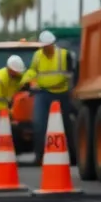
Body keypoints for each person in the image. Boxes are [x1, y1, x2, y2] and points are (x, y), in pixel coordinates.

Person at [21, 30, 77, 162]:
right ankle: (40, 156)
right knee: (39, 124)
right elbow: (32, 71)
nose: (46, 49)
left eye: (48, 46)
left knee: (66, 125)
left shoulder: (64, 55)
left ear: (53, 44)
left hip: (61, 94)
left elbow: (71, 74)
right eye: (44, 47)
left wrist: (72, 90)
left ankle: (72, 156)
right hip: (43, 94)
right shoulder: (38, 56)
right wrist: (24, 81)